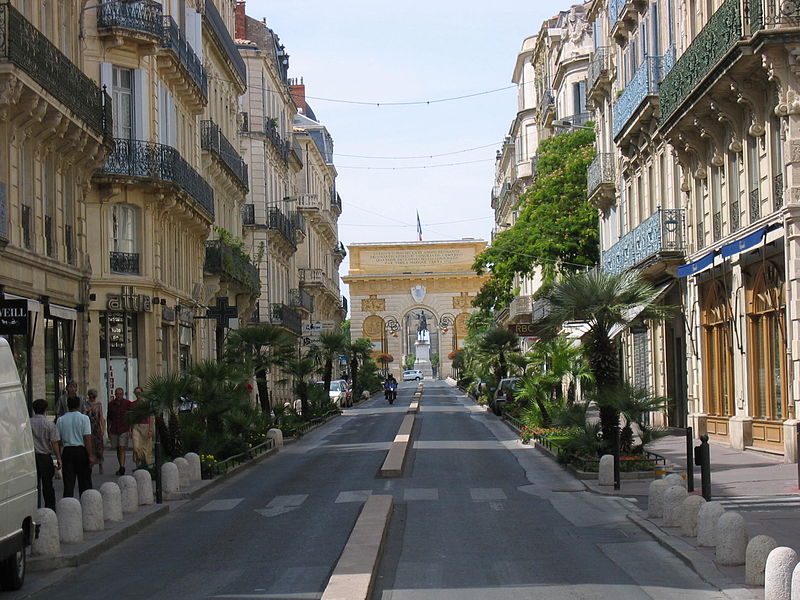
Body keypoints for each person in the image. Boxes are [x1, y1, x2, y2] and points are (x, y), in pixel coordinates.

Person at [55, 395, 95, 498]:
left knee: (68, 482)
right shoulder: (84, 418)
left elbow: (58, 440)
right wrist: (90, 455)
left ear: (67, 406)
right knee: (84, 481)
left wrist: (58, 456)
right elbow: (87, 438)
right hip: (81, 451)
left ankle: (68, 504)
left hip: (67, 451)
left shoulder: (60, 420)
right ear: (79, 405)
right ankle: (86, 502)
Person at [30, 399, 62, 510]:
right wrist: (59, 458)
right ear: (45, 409)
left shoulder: (28, 422)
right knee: (47, 484)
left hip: (32, 458)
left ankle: (34, 507)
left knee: (33, 486)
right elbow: (54, 442)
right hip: (45, 457)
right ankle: (50, 508)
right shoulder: (49, 424)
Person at [107, 387, 132, 476]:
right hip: (114, 429)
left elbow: (130, 416)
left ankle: (122, 467)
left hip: (124, 428)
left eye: (120, 394)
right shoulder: (111, 404)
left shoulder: (127, 403)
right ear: (115, 395)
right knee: (117, 448)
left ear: (123, 394)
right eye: (117, 394)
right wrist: (108, 429)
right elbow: (109, 417)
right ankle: (120, 465)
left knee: (122, 447)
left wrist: (130, 428)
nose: (119, 396)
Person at [130, 386, 154, 468]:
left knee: (146, 448)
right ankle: (138, 464)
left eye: (139, 393)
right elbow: (131, 417)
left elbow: (151, 417)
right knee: (136, 448)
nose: (138, 394)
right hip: (136, 426)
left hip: (146, 426)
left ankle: (146, 466)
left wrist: (151, 429)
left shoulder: (147, 404)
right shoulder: (132, 404)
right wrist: (130, 429)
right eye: (136, 393)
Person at [85, 388, 106, 474]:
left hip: (96, 427)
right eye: (91, 396)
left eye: (94, 396)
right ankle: (90, 463)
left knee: (99, 447)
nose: (92, 398)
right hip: (88, 426)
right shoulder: (85, 404)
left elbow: (101, 417)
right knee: (89, 446)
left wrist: (103, 429)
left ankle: (100, 463)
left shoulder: (98, 404)